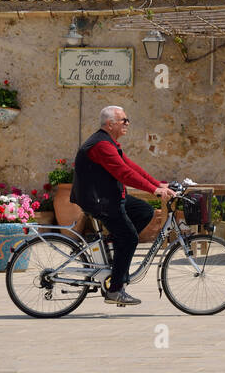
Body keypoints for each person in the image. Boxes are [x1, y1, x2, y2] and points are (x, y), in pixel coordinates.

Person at [70, 106, 174, 306]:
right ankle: (115, 290)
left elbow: (130, 167)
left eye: (127, 120)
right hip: (99, 201)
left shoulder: (109, 143)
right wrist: (154, 191)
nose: (127, 123)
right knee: (129, 237)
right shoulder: (101, 145)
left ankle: (115, 248)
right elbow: (124, 174)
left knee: (144, 211)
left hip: (109, 196)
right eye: (123, 120)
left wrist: (158, 184)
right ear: (110, 124)